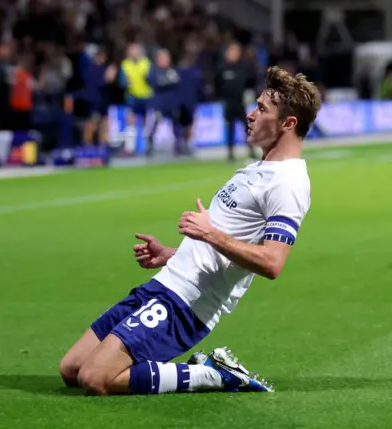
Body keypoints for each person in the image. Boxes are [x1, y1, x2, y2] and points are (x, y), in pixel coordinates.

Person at [59, 66, 322, 396]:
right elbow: (223, 244)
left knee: (95, 378)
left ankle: (212, 374)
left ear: (288, 123)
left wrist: (209, 234)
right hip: (164, 284)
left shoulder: (289, 183)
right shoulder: (256, 170)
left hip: (186, 304)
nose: (251, 114)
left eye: (262, 109)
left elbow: (272, 262)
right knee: (71, 369)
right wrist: (173, 253)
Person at [215, 42, 257, 162]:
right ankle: (230, 154)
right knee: (230, 128)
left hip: (241, 103)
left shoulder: (243, 67)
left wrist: (249, 94)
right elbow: (217, 84)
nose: (234, 54)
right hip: (228, 103)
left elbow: (251, 81)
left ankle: (251, 151)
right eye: (232, 51)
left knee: (246, 128)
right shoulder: (222, 67)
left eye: (236, 51)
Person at [119, 43, 153, 155]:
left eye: (136, 50)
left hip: (145, 95)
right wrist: (125, 83)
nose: (134, 53)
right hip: (132, 96)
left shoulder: (146, 63)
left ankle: (146, 146)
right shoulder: (125, 65)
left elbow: (152, 78)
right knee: (131, 120)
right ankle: (130, 148)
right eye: (131, 50)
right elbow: (121, 81)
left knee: (145, 121)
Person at [146, 49, 182, 156]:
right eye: (162, 58)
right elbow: (154, 83)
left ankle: (178, 145)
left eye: (166, 58)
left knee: (176, 124)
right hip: (159, 103)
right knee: (155, 123)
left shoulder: (172, 71)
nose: (165, 60)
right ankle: (150, 146)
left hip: (171, 102)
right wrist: (166, 82)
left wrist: (164, 82)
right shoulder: (153, 71)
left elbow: (176, 82)